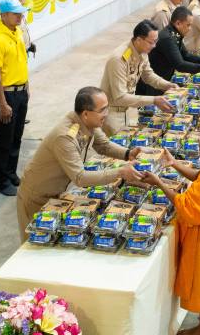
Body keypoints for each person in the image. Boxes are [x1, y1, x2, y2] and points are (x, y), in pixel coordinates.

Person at [15, 87, 146, 239]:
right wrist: (120, 172)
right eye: (102, 110)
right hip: (36, 197)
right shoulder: (64, 137)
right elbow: (80, 178)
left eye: (107, 108)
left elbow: (103, 144)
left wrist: (128, 154)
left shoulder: (88, 123)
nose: (106, 114)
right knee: (33, 247)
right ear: (85, 113)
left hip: (57, 194)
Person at [143, 128, 200, 335]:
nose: (198, 146)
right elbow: (197, 175)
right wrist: (174, 163)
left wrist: (158, 182)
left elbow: (185, 204)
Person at [99, 20, 176, 134]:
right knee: (116, 149)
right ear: (139, 40)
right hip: (114, 113)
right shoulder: (119, 59)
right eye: (151, 42)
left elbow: (148, 75)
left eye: (156, 42)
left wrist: (167, 85)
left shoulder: (143, 51)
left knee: (132, 144)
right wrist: (153, 100)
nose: (154, 46)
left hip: (130, 109)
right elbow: (120, 97)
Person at [0, 0, 30, 196]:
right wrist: (3, 104)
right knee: (4, 140)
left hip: (21, 92)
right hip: (6, 95)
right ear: (3, 15)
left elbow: (22, 62)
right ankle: (2, 181)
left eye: (21, 13)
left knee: (16, 137)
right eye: (15, 13)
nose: (20, 16)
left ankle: (11, 172)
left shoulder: (17, 32)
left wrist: (26, 87)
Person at [144, 7, 200, 92]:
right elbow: (180, 65)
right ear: (178, 23)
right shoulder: (168, 38)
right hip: (154, 83)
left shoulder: (174, 33)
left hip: (163, 78)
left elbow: (185, 55)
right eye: (188, 25)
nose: (190, 28)